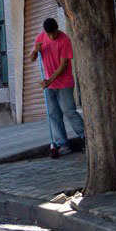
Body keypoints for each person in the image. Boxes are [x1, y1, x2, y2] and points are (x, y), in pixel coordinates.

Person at [29, 18, 84, 158]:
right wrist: (35, 51)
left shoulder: (64, 40)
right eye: (49, 34)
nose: (52, 36)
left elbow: (63, 65)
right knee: (53, 115)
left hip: (64, 84)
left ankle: (86, 137)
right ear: (45, 32)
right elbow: (31, 58)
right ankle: (62, 144)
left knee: (69, 111)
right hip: (49, 85)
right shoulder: (40, 38)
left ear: (57, 28)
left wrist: (50, 80)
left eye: (54, 33)